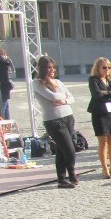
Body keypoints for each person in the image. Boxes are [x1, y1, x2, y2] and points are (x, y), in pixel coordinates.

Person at [32, 56, 77, 188]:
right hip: (53, 120)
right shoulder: (37, 82)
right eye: (49, 68)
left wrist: (63, 100)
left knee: (61, 149)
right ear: (43, 69)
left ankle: (61, 178)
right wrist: (63, 97)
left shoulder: (58, 81)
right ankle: (72, 173)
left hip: (68, 116)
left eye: (53, 67)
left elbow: (71, 97)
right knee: (69, 150)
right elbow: (52, 96)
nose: (52, 70)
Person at [87, 57, 111, 179]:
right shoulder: (93, 80)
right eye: (104, 67)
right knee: (103, 142)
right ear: (98, 68)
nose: (107, 70)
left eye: (109, 67)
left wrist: (106, 92)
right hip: (100, 113)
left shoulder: (110, 80)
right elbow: (96, 95)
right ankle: (105, 168)